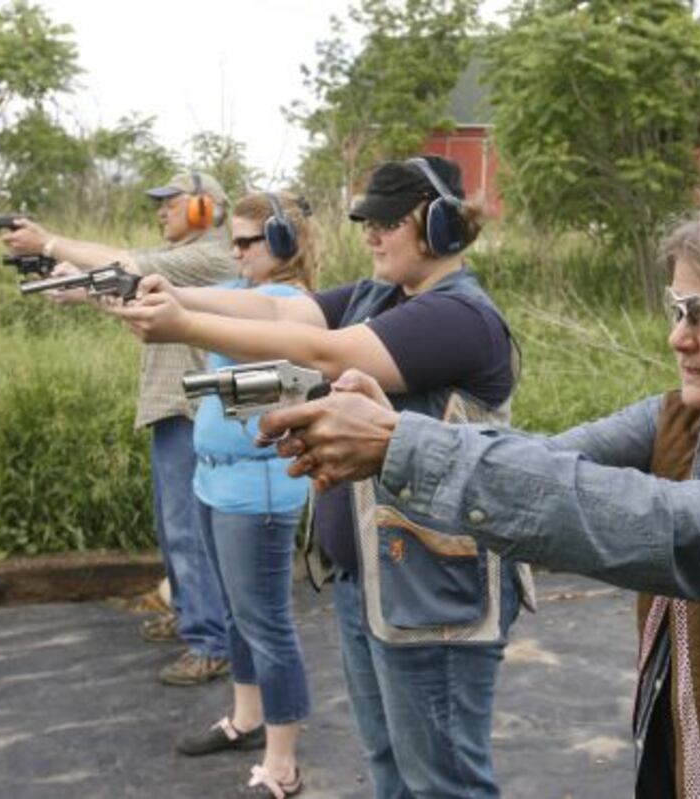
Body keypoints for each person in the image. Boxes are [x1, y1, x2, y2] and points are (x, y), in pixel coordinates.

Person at [258, 197, 700, 797]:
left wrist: (400, 445)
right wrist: (398, 428)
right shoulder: (697, 421)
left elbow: (674, 530)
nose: (677, 335)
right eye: (676, 307)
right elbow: (547, 463)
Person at [112, 156, 531, 798]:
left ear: (442, 226)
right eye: (368, 220)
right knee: (390, 767)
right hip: (371, 578)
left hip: (432, 592)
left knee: (443, 783)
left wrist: (182, 326)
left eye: (389, 221)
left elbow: (323, 350)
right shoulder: (378, 296)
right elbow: (283, 316)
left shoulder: (458, 316)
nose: (371, 234)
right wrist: (170, 294)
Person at [1, 171, 236, 686]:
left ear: (204, 209)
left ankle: (211, 642)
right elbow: (133, 295)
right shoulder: (187, 260)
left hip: (191, 411)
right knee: (172, 526)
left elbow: (126, 264)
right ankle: (192, 616)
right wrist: (77, 291)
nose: (161, 212)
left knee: (189, 531)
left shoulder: (214, 254)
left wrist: (49, 241)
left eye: (171, 205)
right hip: (172, 407)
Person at [173, 191, 319, 798]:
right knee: (239, 615)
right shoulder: (248, 297)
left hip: (254, 490)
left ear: (284, 243)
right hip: (217, 478)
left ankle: (282, 763)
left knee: (267, 623)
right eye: (231, 242)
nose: (234, 253)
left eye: (245, 242)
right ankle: (247, 718)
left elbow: (231, 316)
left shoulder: (286, 303)